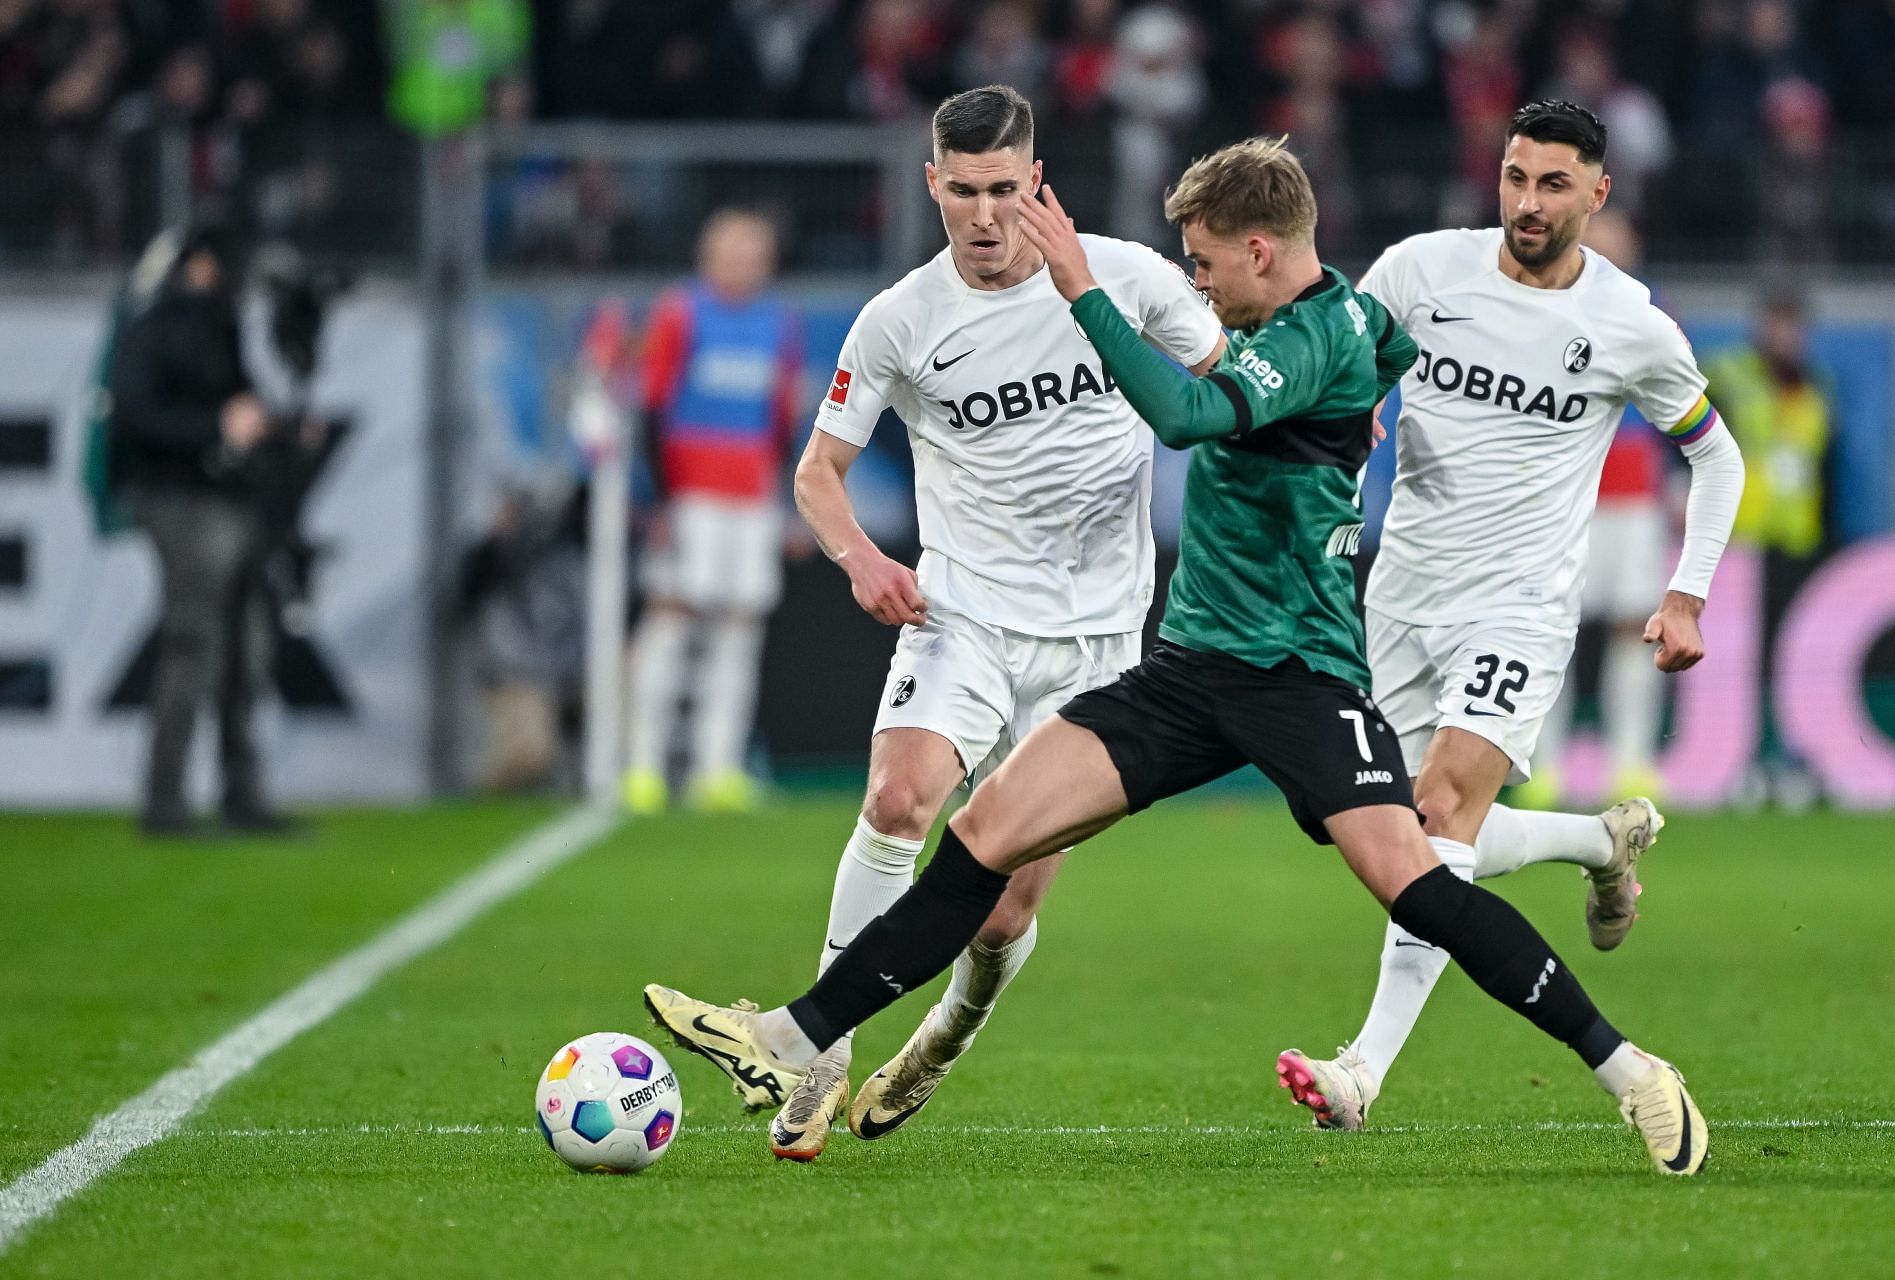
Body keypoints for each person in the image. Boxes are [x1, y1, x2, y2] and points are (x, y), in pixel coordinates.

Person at [646, 136, 1710, 1176]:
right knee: (982, 833)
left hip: (1299, 673)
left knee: (1418, 881)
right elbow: (1377, 359)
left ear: (1258, 250)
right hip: (1191, 666)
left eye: (1203, 262)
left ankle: (1630, 1069)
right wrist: (1357, 424)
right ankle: (795, 1036)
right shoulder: (1338, 328)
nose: (1195, 286)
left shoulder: (1312, 336)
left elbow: (1191, 411)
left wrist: (1081, 290)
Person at [766, 84, 1225, 1160]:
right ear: (933, 184)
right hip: (961, 609)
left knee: (1005, 911)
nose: (982, 215)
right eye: (962, 192)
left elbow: (1231, 381)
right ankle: (819, 1054)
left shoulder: (1127, 278)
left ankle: (943, 1036)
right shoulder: (900, 319)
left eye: (1003, 192)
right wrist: (862, 557)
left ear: (1037, 186)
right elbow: (819, 473)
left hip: (1101, 639)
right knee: (896, 796)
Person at [1274, 101, 1745, 1134]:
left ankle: (1361, 1071)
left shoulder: (1629, 324)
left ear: (1598, 193)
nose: (1528, 204)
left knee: (1437, 817)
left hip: (1519, 607)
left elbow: (1717, 453)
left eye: (1554, 185)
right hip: (1399, 594)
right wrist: (1359, 399)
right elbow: (1341, 360)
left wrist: (1687, 589)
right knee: (1378, 833)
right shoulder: (1419, 271)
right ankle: (1595, 839)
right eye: (1516, 178)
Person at [591, 208, 805, 814]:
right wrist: (658, 498)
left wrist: (783, 498)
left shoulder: (779, 323)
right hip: (689, 494)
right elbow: (654, 407)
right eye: (731, 254)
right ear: (707, 259)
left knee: (740, 628)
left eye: (753, 256)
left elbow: (782, 417)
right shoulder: (680, 312)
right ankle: (642, 768)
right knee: (672, 620)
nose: (742, 267)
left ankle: (718, 769)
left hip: (750, 496)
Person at [109, 223, 285, 837]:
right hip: (179, 498)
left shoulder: (218, 324)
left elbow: (239, 399)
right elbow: (133, 416)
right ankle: (165, 800)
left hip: (228, 498)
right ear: (204, 264)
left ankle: (243, 795)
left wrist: (270, 425)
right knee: (194, 645)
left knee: (246, 651)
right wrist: (216, 426)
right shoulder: (154, 327)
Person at [1521, 210, 1672, 807]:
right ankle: (1544, 765)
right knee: (1550, 627)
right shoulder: (1543, 311)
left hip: (1634, 495)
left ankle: (1631, 762)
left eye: (1617, 237)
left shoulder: (1653, 317)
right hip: (1565, 493)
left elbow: (1680, 404)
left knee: (1634, 626)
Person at [1703, 285, 1834, 804]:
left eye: (1793, 325)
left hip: (1794, 542)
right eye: (1776, 324)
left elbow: (1825, 464)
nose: (1784, 336)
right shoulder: (1731, 376)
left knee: (1792, 656)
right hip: (1738, 541)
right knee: (1736, 657)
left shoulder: (1816, 387)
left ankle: (1784, 757)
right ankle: (1737, 757)